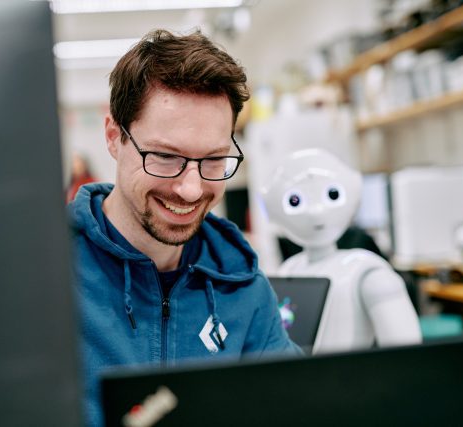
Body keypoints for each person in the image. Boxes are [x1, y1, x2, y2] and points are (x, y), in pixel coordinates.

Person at [67, 29, 300, 426]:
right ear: (113, 137)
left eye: (213, 160)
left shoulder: (241, 283)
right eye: (164, 156)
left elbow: (298, 406)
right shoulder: (44, 274)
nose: (190, 189)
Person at [261, 148, 422, 355]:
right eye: (295, 201)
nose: (316, 211)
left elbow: (406, 355)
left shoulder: (368, 274)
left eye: (332, 195)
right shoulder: (289, 270)